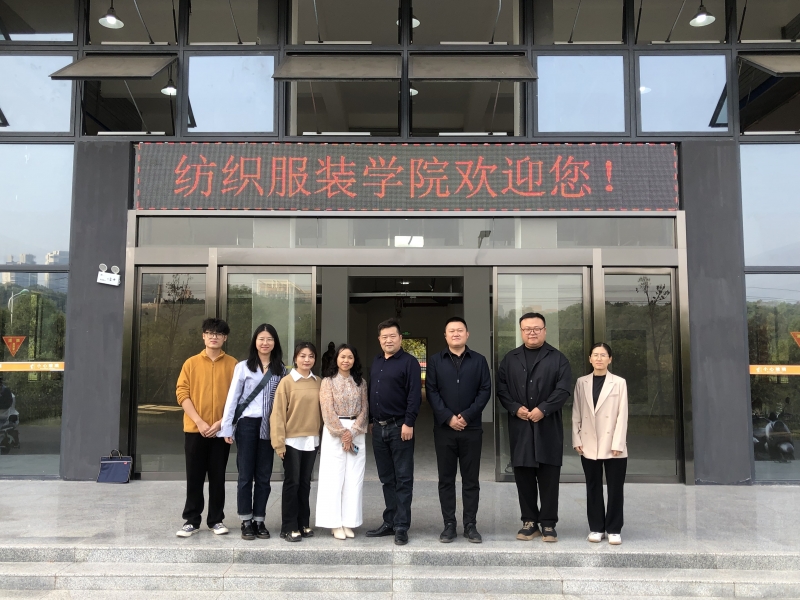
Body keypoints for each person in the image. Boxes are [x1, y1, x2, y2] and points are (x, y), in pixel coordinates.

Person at [497, 312, 572, 543]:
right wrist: (514, 407)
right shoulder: (510, 359)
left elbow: (563, 389)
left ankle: (548, 523)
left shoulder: (558, 359)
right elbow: (501, 388)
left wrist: (544, 409)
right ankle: (529, 521)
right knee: (524, 476)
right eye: (527, 329)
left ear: (545, 330)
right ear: (521, 331)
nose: (532, 332)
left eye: (536, 328)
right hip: (520, 426)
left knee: (549, 476)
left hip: (547, 426)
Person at [426, 317, 491, 544]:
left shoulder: (479, 360)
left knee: (471, 480)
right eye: (451, 331)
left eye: (460, 330)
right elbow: (431, 391)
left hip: (471, 429)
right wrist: (448, 418)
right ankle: (449, 524)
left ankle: (470, 525)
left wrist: (467, 416)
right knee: (446, 479)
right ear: (445, 336)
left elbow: (485, 390)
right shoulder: (435, 361)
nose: (456, 334)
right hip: (444, 430)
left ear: (467, 334)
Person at [220, 324, 287, 541]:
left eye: (269, 339)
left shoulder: (281, 369)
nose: (265, 343)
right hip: (247, 424)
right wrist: (227, 427)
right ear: (255, 342)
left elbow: (284, 402)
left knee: (264, 476)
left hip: (269, 425)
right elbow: (233, 398)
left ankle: (259, 519)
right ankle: (246, 520)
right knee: (245, 475)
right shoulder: (243, 367)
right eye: (261, 339)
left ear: (275, 342)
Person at [175, 318, 238, 538]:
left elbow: (236, 398)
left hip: (220, 431)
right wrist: (200, 422)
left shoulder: (233, 365)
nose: (214, 337)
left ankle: (216, 520)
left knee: (218, 477)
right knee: (194, 477)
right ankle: (191, 520)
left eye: (218, 334)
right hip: (195, 430)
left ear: (225, 338)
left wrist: (221, 423)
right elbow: (182, 393)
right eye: (210, 333)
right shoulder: (191, 363)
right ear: (203, 336)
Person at [365, 318, 421, 546]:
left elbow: (414, 395)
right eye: (384, 337)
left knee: (403, 479)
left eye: (392, 336)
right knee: (387, 478)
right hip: (378, 428)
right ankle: (390, 521)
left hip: (400, 427)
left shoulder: (409, 362)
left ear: (400, 338)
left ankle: (401, 526)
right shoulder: (377, 361)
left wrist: (409, 422)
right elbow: (372, 392)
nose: (388, 340)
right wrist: (370, 420)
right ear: (379, 340)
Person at [572, 342, 628, 545]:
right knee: (593, 486)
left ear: (610, 359)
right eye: (595, 355)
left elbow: (623, 414)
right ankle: (596, 527)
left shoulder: (619, 382)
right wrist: (577, 438)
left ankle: (614, 529)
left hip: (613, 443)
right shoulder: (582, 382)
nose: (599, 358)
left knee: (615, 487)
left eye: (603, 355)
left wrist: (618, 443)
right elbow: (576, 412)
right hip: (588, 442)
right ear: (590, 359)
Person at [315, 344, 369, 540]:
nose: (346, 360)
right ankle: (334, 523)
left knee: (354, 478)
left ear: (355, 360)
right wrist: (342, 433)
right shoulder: (328, 382)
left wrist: (352, 432)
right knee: (333, 477)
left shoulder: (361, 382)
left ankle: (349, 521)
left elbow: (365, 409)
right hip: (334, 432)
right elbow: (327, 410)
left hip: (357, 431)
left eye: (350, 357)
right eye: (342, 357)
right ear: (336, 359)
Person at [271, 342, 322, 542]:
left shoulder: (318, 382)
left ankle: (303, 523)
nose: (306, 360)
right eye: (302, 356)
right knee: (292, 483)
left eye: (311, 356)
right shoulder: (287, 382)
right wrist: (279, 443)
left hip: (312, 440)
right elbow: (277, 414)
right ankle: (289, 526)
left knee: (305, 483)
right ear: (295, 358)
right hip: (291, 441)